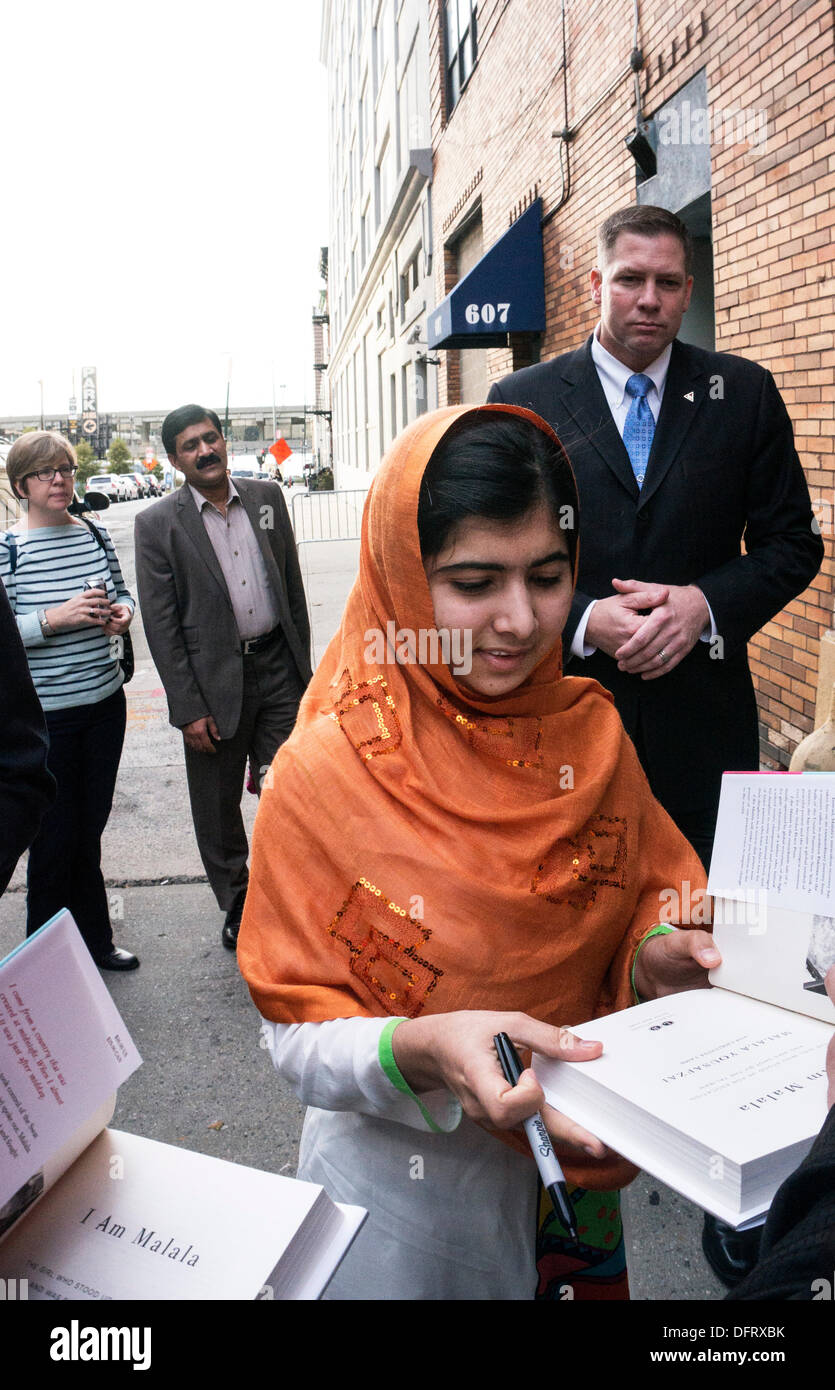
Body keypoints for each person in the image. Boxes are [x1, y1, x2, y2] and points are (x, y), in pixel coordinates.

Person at [238, 404, 723, 1301]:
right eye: (472, 582)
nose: (518, 621)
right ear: (399, 578)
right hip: (407, 1213)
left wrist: (656, 957)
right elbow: (294, 1036)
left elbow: (648, 896)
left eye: (546, 576)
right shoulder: (324, 771)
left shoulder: (588, 732)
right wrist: (427, 1047)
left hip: (579, 1183)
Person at [487, 204, 824, 1283]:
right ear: (594, 284)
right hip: (562, 723)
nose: (648, 300)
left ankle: (729, 1156)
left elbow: (790, 545)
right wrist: (585, 619)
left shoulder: (741, 395)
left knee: (700, 930)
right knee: (570, 915)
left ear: (687, 290)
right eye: (629, 279)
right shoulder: (524, 405)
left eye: (668, 284)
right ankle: (585, 1123)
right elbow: (496, 558)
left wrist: (700, 604)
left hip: (696, 722)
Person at [134, 406, 313, 950]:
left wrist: (305, 674)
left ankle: (293, 896)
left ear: (224, 441)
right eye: (190, 445)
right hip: (212, 686)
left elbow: (292, 588)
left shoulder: (266, 499)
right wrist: (187, 707)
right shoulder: (158, 524)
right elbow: (161, 626)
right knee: (216, 807)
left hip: (279, 670)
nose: (204, 450)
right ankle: (239, 901)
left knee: (291, 791)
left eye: (210, 438)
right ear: (174, 459)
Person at [0, 431, 138, 969]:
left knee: (89, 829)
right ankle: (43, 965)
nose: (59, 480)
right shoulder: (8, 551)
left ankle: (95, 941)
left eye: (65, 469)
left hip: (104, 705)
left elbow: (122, 593)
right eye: (44, 472)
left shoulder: (97, 535)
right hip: (45, 719)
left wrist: (124, 614)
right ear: (21, 487)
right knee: (52, 840)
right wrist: (53, 620)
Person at [0, 581, 55, 896]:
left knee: (77, 840)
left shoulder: (92, 536)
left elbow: (21, 766)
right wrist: (51, 620)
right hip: (50, 710)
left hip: (91, 705)